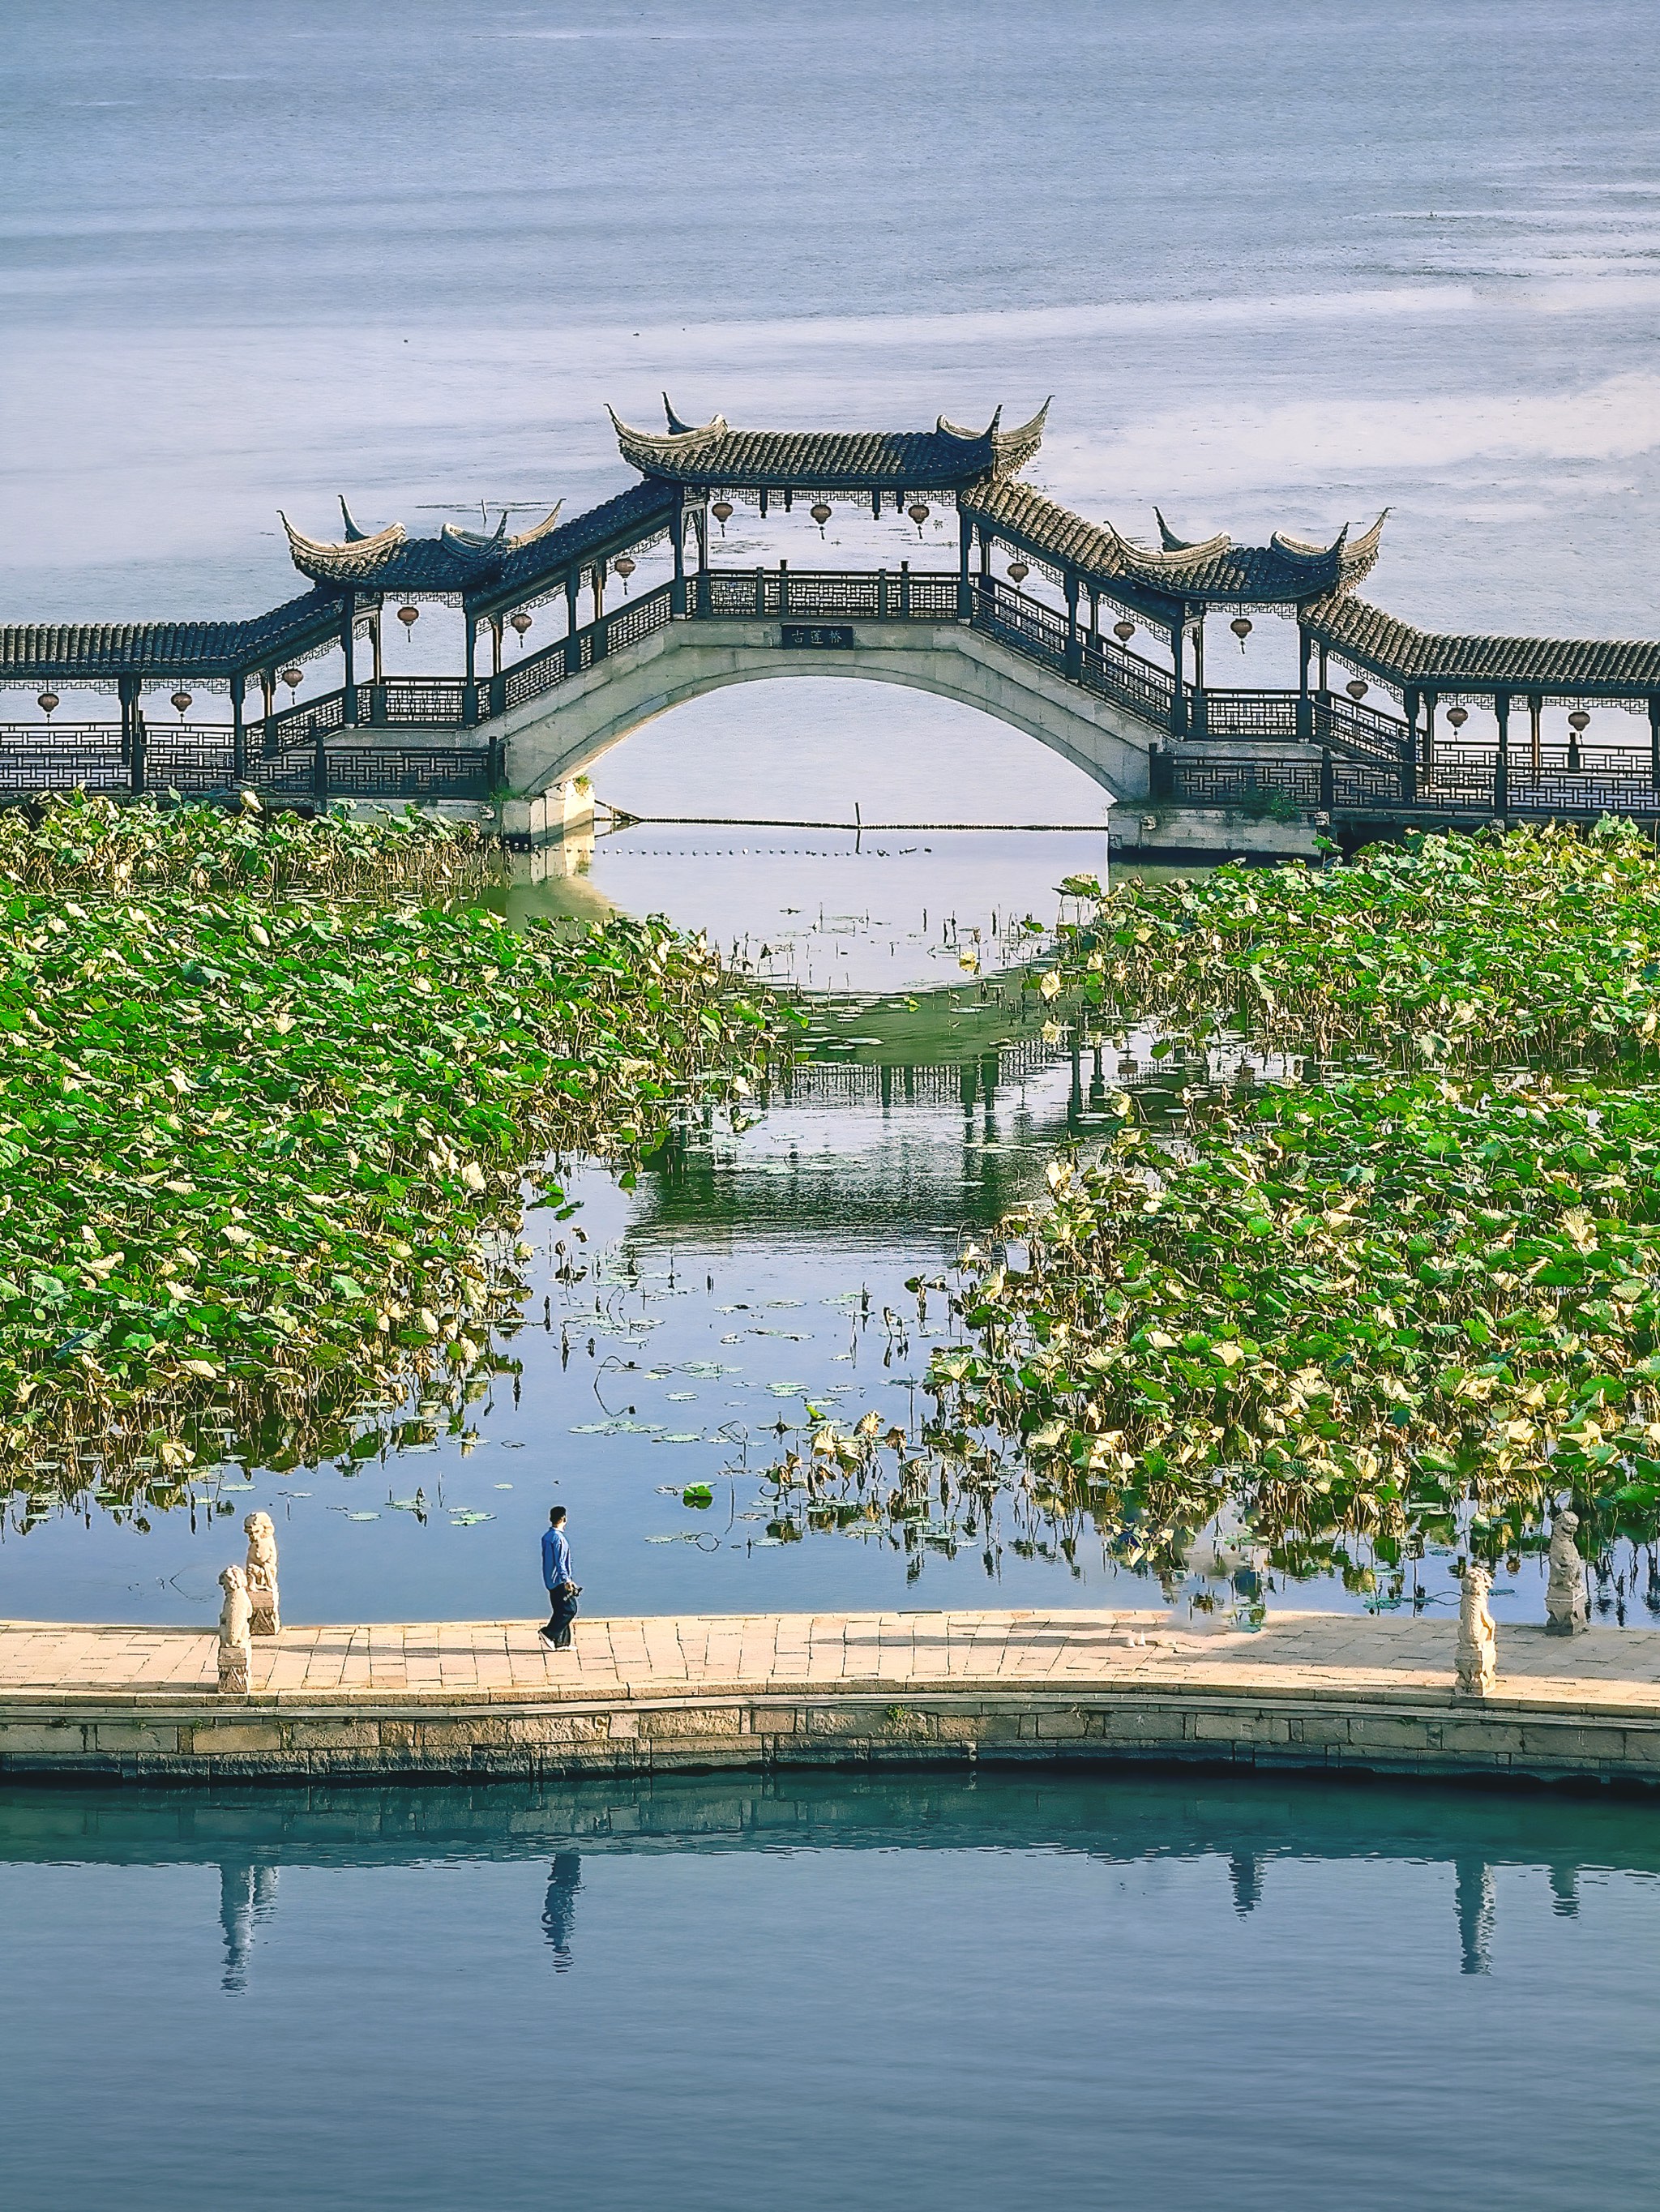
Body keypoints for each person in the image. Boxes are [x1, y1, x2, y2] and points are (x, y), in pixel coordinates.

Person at [540, 1504, 579, 1648]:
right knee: (570, 1609)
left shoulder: (547, 1536)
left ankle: (562, 1643)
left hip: (549, 1579)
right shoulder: (559, 1539)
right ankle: (549, 1633)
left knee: (560, 1610)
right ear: (564, 1519)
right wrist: (567, 1580)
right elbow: (560, 1562)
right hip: (558, 1581)